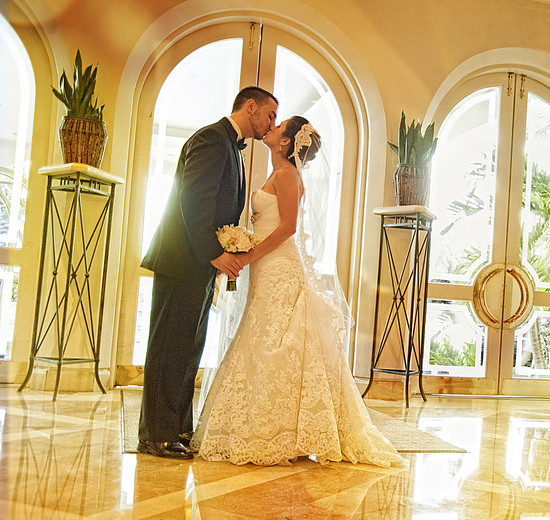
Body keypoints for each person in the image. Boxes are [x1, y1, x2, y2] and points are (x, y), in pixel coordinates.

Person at [192, 116, 406, 468]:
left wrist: (246, 256)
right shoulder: (278, 174)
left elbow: (287, 228)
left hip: (279, 266)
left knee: (275, 339)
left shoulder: (289, 176)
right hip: (267, 265)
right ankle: (275, 425)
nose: (271, 129)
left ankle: (281, 430)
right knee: (263, 336)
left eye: (279, 127)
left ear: (286, 142)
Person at [137, 86, 279, 460]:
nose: (271, 124)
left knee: (187, 350)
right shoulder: (212, 139)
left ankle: (177, 427)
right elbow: (194, 199)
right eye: (269, 115)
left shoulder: (230, 145)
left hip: (196, 265)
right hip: (182, 261)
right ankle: (156, 434)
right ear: (251, 107)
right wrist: (215, 254)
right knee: (169, 348)